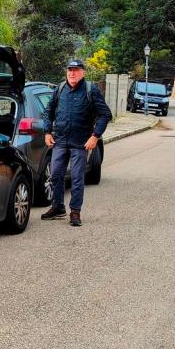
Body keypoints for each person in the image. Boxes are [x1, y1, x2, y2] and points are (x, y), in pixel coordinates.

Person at [41, 59, 113, 227]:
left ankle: (75, 212)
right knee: (55, 175)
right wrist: (46, 131)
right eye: (70, 70)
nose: (72, 73)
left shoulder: (90, 90)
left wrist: (95, 136)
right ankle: (58, 207)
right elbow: (48, 111)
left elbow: (105, 114)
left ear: (83, 73)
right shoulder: (59, 89)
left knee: (76, 178)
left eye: (76, 70)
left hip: (80, 143)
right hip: (60, 141)